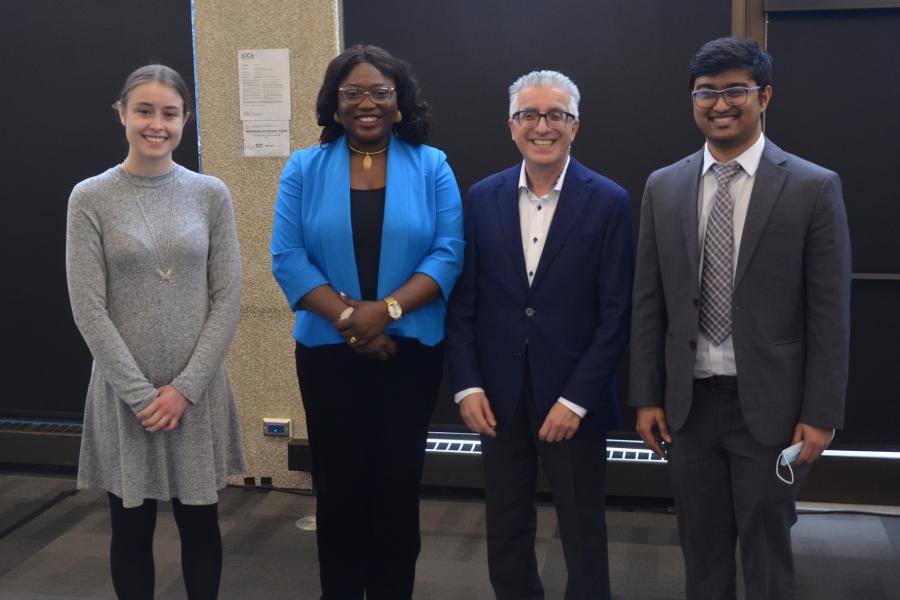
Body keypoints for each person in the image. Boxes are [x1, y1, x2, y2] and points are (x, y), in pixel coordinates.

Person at [629, 37, 851, 600]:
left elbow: (829, 313)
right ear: (693, 99)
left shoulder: (812, 186)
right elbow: (649, 300)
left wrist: (821, 414)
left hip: (773, 415)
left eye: (736, 91)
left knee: (767, 550)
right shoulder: (665, 186)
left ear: (764, 96)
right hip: (689, 408)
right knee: (700, 552)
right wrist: (646, 396)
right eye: (707, 92)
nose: (720, 104)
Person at [270, 44, 464, 599]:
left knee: (398, 488)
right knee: (338, 489)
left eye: (380, 92)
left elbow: (449, 253)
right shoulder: (304, 168)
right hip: (329, 356)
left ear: (399, 102)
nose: (366, 103)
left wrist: (387, 312)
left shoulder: (433, 166)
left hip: (410, 357)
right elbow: (288, 257)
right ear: (334, 103)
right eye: (352, 92)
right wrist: (356, 322)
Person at [446, 70, 634, 600]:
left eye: (556, 115)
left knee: (582, 529)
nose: (542, 126)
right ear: (512, 126)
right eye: (530, 115)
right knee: (505, 525)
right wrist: (467, 385)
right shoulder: (481, 198)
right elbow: (464, 302)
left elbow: (616, 314)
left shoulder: (609, 201)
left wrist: (576, 400)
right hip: (498, 396)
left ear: (576, 125)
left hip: (574, 398)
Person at [65, 64, 246, 600]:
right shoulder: (90, 197)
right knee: (130, 529)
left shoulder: (210, 193)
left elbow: (228, 297)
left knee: (201, 527)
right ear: (122, 114)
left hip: (197, 391)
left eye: (169, 113)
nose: (156, 124)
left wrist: (184, 389)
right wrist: (144, 396)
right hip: (127, 397)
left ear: (185, 120)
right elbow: (88, 306)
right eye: (144, 111)